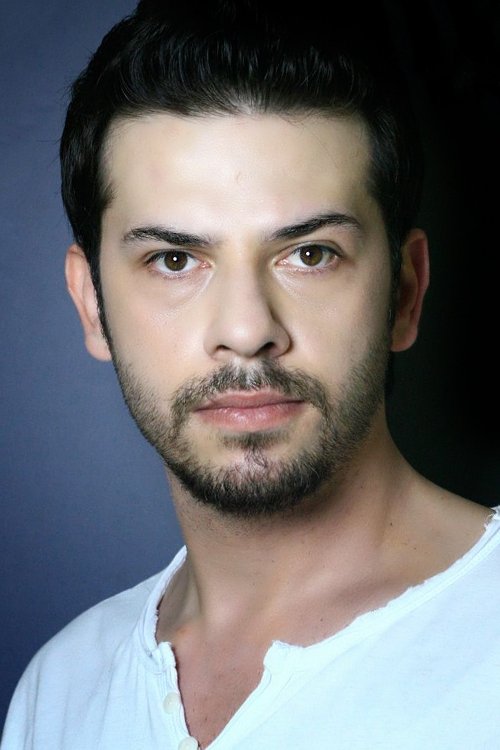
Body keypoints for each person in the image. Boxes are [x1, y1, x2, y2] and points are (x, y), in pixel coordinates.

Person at [2, 1, 499, 748]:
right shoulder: (60, 691)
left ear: (404, 293)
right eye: (175, 260)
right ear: (91, 305)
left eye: (309, 254)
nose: (245, 329)